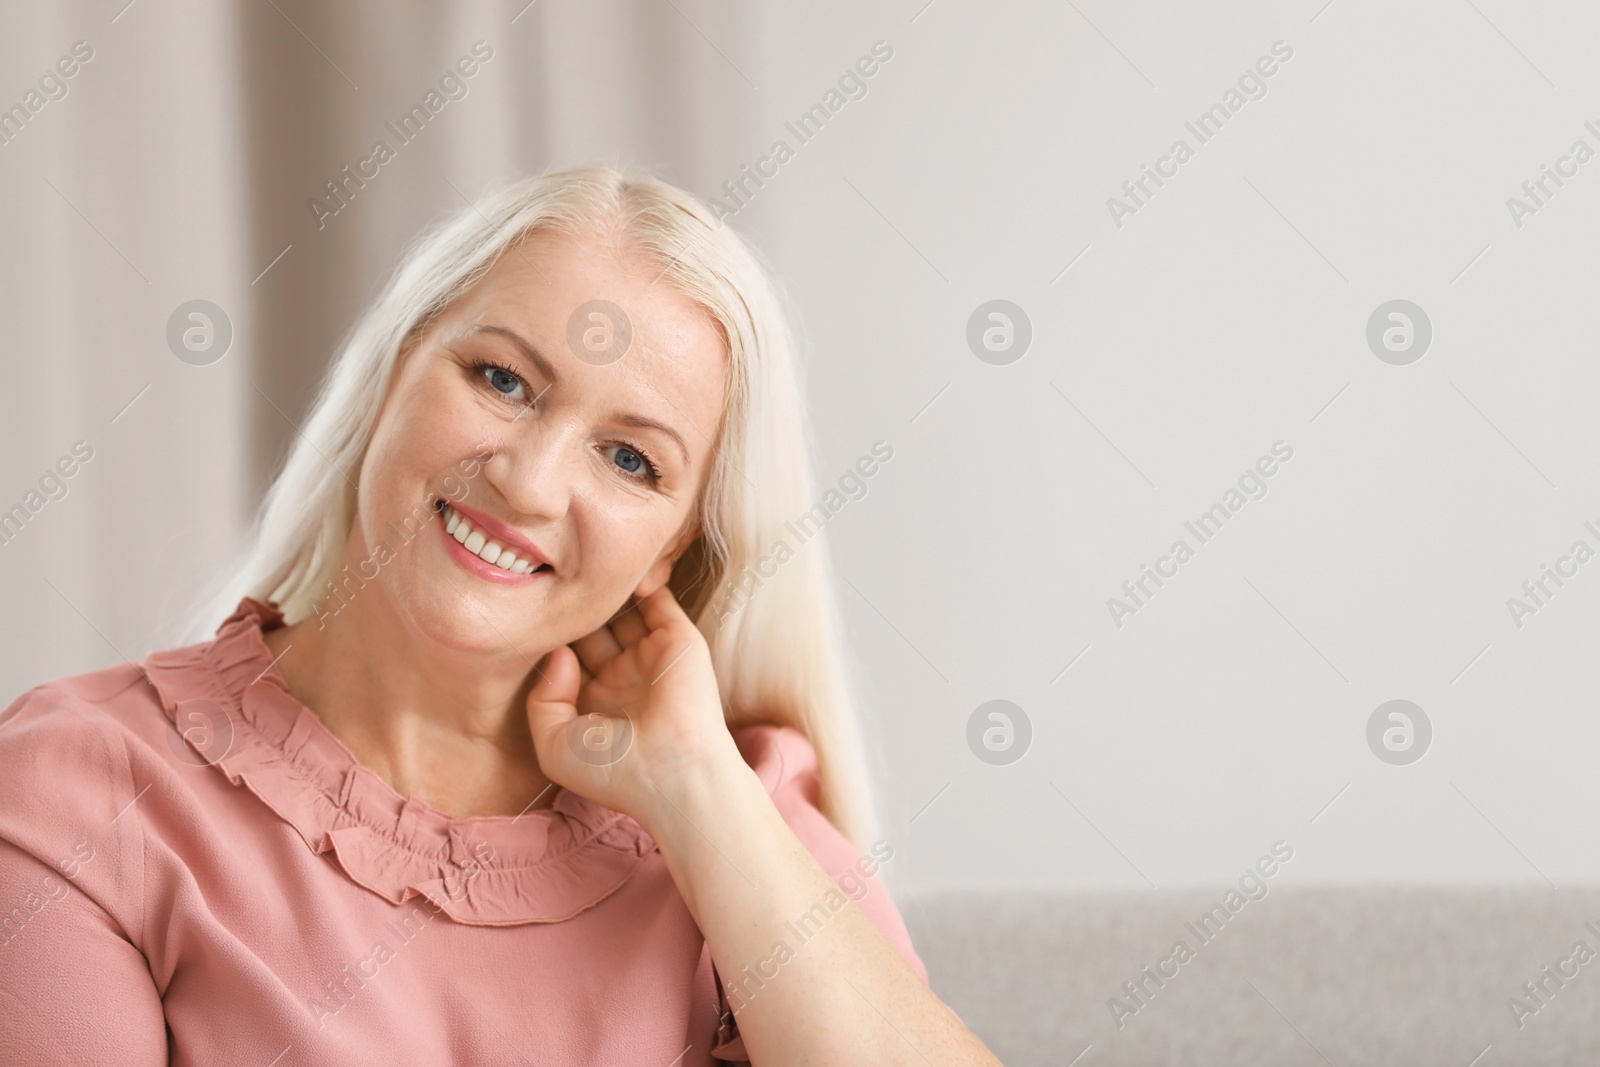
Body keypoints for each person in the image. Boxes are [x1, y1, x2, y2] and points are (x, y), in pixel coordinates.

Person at [0, 164, 1001, 1064]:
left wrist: (700, 798)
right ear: (393, 369)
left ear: (672, 549)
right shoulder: (79, 793)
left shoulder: (740, 815)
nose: (526, 481)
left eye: (629, 459)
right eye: (502, 379)